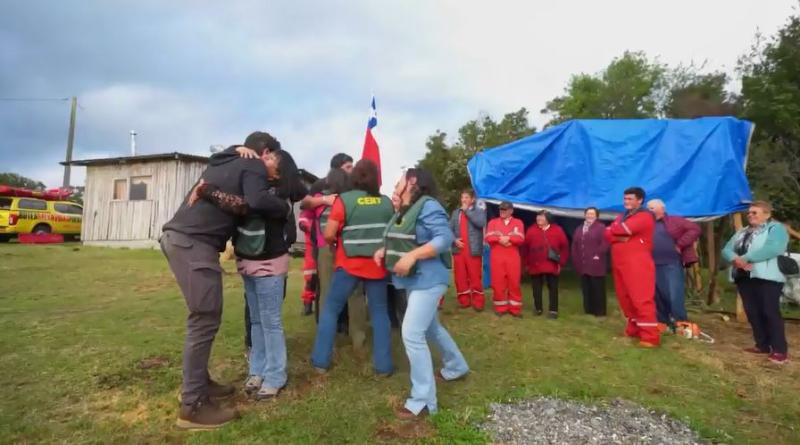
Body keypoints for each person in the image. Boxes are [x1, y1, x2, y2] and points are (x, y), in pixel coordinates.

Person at [161, 131, 291, 429]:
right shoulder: (254, 165)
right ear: (264, 152)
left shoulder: (225, 161)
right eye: (272, 157)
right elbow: (253, 203)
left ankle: (200, 384)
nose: (272, 165)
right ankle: (192, 405)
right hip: (194, 244)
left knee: (203, 317)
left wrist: (209, 191)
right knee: (204, 318)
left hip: (181, 240)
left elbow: (240, 197)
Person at [191, 149, 301, 400]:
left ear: (280, 173)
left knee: (271, 323)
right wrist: (235, 149)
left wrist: (205, 189)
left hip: (269, 268)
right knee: (256, 322)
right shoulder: (253, 186)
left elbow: (244, 206)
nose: (264, 158)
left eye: (272, 158)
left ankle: (275, 376)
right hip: (248, 265)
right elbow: (218, 164)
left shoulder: (278, 198)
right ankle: (257, 370)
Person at [375, 168, 469, 419]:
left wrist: (413, 255)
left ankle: (424, 401)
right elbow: (402, 237)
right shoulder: (406, 209)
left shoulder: (428, 206)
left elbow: (443, 239)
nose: (397, 180)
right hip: (416, 281)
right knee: (431, 328)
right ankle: (456, 366)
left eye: (402, 177)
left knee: (411, 333)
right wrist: (384, 251)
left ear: (413, 182)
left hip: (429, 280)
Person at [310, 159, 395, 375]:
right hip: (377, 266)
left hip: (348, 265)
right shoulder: (386, 202)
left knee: (330, 309)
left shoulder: (344, 200)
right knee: (379, 312)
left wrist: (337, 242)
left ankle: (321, 361)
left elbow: (328, 233)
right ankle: (384, 366)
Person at [722, 201, 790, 364]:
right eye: (749, 213)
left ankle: (780, 350)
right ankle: (762, 345)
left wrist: (744, 258)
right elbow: (726, 249)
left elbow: (772, 249)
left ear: (767, 214)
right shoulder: (742, 232)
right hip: (744, 276)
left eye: (755, 212)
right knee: (752, 311)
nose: (750, 215)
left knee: (769, 311)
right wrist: (735, 259)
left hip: (767, 276)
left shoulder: (776, 229)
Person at [604, 187, 660, 348]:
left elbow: (622, 229)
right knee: (625, 297)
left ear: (640, 200)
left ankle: (650, 336)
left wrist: (616, 232)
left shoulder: (645, 216)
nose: (626, 202)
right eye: (625, 199)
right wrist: (619, 236)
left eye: (630, 199)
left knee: (640, 297)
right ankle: (634, 329)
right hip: (621, 262)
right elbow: (608, 234)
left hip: (637, 263)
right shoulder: (623, 216)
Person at [646, 199, 701, 327]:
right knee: (657, 295)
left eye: (652, 208)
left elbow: (695, 229)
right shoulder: (647, 223)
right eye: (648, 208)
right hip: (651, 264)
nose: (649, 210)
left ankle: (680, 322)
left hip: (671, 263)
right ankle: (662, 322)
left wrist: (680, 244)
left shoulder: (674, 221)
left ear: (662, 208)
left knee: (674, 293)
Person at [522, 211, 569, 319]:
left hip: (551, 264)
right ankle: (538, 308)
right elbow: (525, 248)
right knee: (536, 287)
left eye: (541, 217)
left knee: (553, 287)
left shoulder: (557, 230)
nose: (539, 219)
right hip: (535, 264)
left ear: (548, 219)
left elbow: (565, 247)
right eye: (538, 217)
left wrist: (561, 261)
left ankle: (553, 310)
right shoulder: (531, 230)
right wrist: (526, 263)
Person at [485, 201, 525, 317]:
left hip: (512, 256)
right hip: (497, 256)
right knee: (498, 282)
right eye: (501, 209)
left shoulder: (518, 222)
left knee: (514, 282)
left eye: (505, 209)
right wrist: (500, 239)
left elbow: (521, 238)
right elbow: (488, 237)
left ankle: (515, 309)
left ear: (511, 211)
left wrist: (508, 238)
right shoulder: (493, 222)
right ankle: (500, 307)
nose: (502, 211)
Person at [449, 189, 487, 311]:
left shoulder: (479, 210)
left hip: (473, 249)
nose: (464, 200)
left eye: (466, 197)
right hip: (458, 250)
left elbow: (481, 223)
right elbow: (448, 229)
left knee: (475, 276)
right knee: (460, 277)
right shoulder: (456, 213)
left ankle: (478, 302)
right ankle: (464, 301)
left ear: (472, 199)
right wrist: (454, 240)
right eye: (462, 197)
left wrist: (467, 212)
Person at [571, 207, 609, 317]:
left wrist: (598, 254)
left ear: (596, 216)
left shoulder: (601, 227)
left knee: (597, 287)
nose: (589, 216)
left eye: (592, 214)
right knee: (586, 287)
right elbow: (575, 244)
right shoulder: (579, 228)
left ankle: (600, 311)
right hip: (583, 263)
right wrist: (575, 257)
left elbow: (605, 242)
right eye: (588, 213)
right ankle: (588, 310)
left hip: (596, 262)